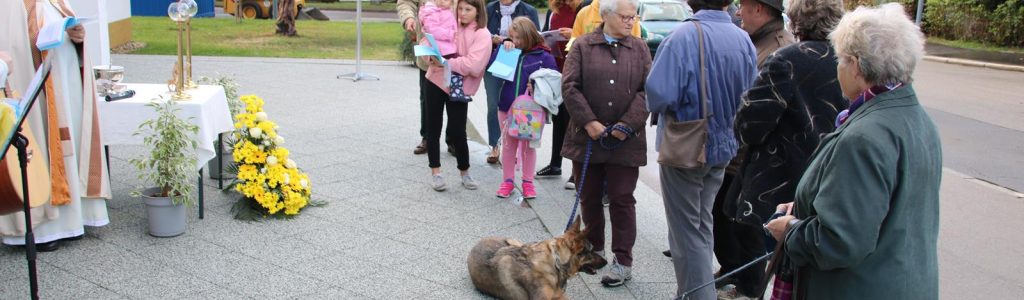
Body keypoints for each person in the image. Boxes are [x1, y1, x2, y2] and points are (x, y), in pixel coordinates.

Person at [765, 4, 941, 299]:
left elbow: (838, 242)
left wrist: (792, 230)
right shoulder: (915, 118)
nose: (838, 68)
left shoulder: (863, 137)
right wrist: (808, 207)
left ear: (857, 66)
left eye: (841, 60)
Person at [645, 0, 757, 298]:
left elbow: (659, 95)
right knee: (702, 223)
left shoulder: (682, 37)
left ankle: (698, 294)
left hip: (688, 143)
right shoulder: (741, 37)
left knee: (685, 232)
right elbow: (752, 88)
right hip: (725, 144)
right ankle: (692, 291)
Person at [0, 0, 112, 251]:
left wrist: (77, 37)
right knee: (41, 141)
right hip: (39, 87)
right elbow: (12, 44)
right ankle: (43, 228)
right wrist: (36, 40)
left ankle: (74, 219)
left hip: (65, 78)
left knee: (69, 141)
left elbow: (66, 27)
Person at [560, 0, 651, 287]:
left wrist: (627, 124)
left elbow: (647, 90)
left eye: (633, 17)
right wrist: (589, 122)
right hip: (587, 137)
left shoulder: (640, 48)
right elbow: (570, 85)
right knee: (587, 195)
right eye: (624, 17)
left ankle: (623, 260)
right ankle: (594, 247)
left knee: (622, 199)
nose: (629, 21)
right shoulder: (583, 46)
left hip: (626, 140)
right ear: (606, 16)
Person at [710, 0, 795, 297]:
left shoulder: (780, 48)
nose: (737, 12)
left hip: (756, 155)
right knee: (725, 215)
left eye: (743, 6)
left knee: (747, 226)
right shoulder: (758, 40)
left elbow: (766, 111)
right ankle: (733, 270)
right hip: (741, 152)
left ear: (759, 9)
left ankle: (749, 287)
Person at [423, 0, 493, 191]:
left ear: (478, 12)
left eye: (468, 10)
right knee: (433, 127)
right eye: (460, 8)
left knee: (458, 130)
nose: (462, 13)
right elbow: (427, 39)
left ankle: (465, 171)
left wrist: (446, 62)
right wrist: (429, 57)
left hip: (458, 87)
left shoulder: (482, 34)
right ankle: (435, 172)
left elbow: (473, 66)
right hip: (435, 80)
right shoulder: (448, 19)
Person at [493, 17, 556, 199]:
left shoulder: (545, 57)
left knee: (528, 147)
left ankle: (528, 182)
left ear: (529, 35)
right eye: (512, 37)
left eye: (518, 37)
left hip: (531, 112)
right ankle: (508, 181)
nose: (515, 41)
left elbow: (554, 83)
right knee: (508, 146)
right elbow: (493, 69)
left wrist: (538, 87)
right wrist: (502, 48)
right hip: (506, 107)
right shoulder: (508, 50)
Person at [483, 0, 539, 165]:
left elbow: (536, 38)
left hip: (520, 64)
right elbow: (480, 32)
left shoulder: (529, 10)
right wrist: (493, 39)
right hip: (495, 62)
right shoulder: (489, 8)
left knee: (516, 105)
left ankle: (514, 147)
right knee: (493, 104)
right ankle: (495, 145)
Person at [398, 0, 453, 155]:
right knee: (427, 98)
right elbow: (406, 2)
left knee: (455, 98)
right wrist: (409, 18)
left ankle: (454, 139)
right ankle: (427, 138)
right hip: (427, 50)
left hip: (454, 49)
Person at [536, 0, 580, 191]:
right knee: (559, 120)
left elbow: (591, 38)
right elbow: (545, 35)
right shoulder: (553, 10)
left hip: (577, 73)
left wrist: (573, 36)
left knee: (575, 123)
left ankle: (575, 171)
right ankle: (555, 164)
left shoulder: (583, 8)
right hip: (556, 71)